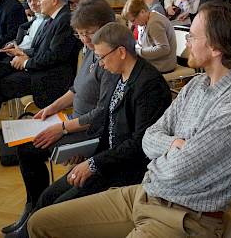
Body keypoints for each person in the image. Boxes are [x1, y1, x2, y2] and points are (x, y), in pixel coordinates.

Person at [28, 1, 231, 238]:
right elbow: (149, 138)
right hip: (146, 193)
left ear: (215, 47)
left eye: (192, 37)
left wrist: (159, 159)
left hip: (185, 216)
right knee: (40, 223)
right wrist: (174, 144)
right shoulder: (196, 85)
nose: (186, 43)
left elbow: (178, 169)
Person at [23, 22, 171, 237]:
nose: (100, 63)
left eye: (102, 57)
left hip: (126, 170)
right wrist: (84, 153)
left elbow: (140, 144)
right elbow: (106, 121)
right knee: (47, 197)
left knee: (56, 211)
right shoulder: (118, 74)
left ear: (121, 52)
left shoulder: (149, 85)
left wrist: (93, 163)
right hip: (106, 160)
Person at [2, 0, 117, 236]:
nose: (85, 39)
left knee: (30, 149)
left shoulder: (109, 59)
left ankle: (35, 215)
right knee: (24, 147)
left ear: (107, 28)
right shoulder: (90, 50)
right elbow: (75, 89)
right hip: (73, 122)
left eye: (89, 33)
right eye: (80, 34)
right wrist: (51, 108)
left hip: (89, 131)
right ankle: (31, 209)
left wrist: (62, 129)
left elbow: (102, 113)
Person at [0, 0, 82, 154]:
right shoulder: (54, 18)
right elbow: (40, 50)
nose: (38, 2)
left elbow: (54, 56)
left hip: (50, 77)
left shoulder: (65, 20)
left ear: (54, 0)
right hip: (40, 68)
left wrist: (26, 62)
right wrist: (23, 53)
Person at [122, 0, 177, 74]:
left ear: (142, 12)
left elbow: (164, 49)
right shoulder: (144, 21)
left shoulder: (155, 23)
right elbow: (142, 44)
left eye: (133, 20)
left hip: (162, 65)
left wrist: (138, 51)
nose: (133, 24)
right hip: (152, 62)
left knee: (127, 69)